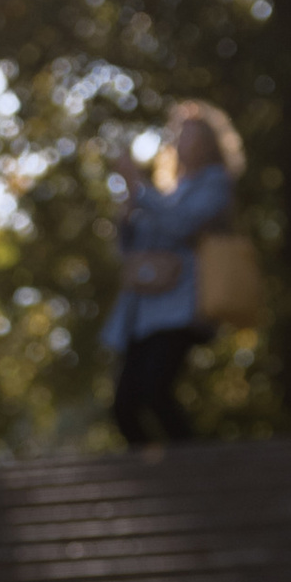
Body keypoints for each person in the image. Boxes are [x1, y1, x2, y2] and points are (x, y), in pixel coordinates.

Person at [103, 98, 245, 445]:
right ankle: (156, 484)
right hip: (143, 312)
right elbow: (130, 249)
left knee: (155, 392)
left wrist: (138, 187)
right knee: (124, 407)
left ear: (209, 144)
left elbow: (183, 224)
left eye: (191, 135)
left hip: (181, 308)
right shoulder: (168, 192)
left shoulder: (215, 183)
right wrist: (127, 209)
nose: (182, 142)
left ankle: (197, 473)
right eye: (180, 135)